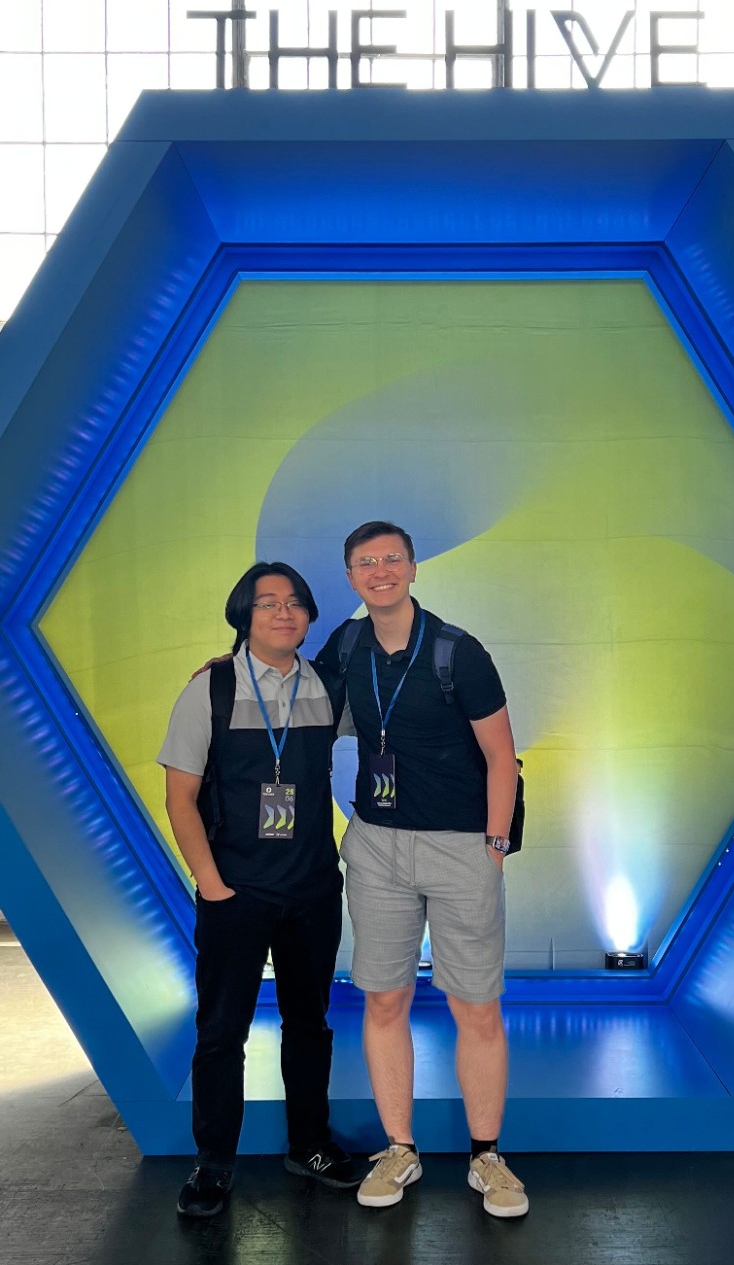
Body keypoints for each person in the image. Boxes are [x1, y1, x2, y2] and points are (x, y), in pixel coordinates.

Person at [315, 521, 529, 1219]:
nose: (379, 571)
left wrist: (493, 846)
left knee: (476, 1006)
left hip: (460, 845)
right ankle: (399, 1148)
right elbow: (296, 695)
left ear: (412, 568)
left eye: (391, 559)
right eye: (364, 562)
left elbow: (502, 756)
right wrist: (228, 669)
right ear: (350, 576)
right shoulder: (346, 645)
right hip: (376, 844)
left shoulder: (456, 652)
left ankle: (487, 1157)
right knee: (383, 999)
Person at [158, 561, 360, 1218]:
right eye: (268, 603)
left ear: (308, 617)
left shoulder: (328, 686)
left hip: (310, 891)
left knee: (311, 1024)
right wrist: (212, 884)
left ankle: (311, 1145)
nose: (284, 612)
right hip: (235, 892)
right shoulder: (210, 689)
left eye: (295, 603)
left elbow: (394, 719)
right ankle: (213, 1164)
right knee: (221, 1032)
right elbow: (180, 797)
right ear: (243, 615)